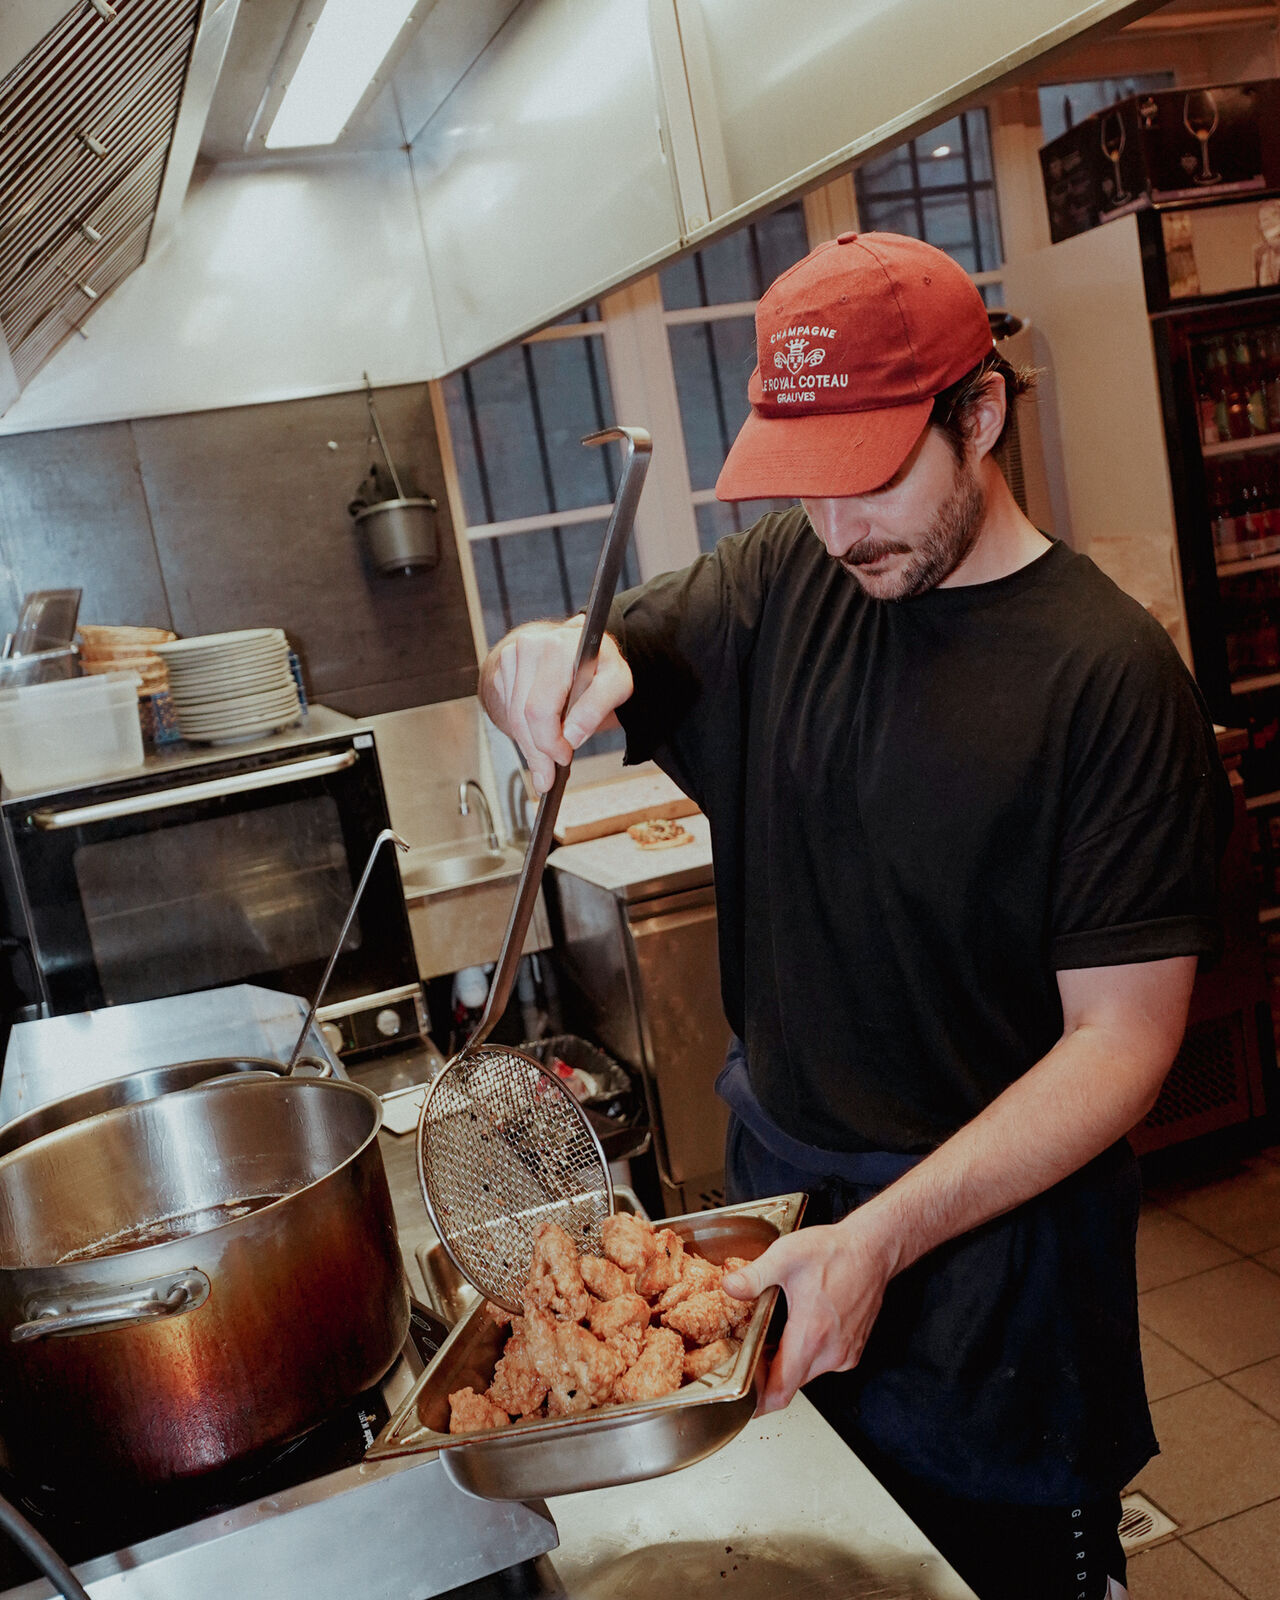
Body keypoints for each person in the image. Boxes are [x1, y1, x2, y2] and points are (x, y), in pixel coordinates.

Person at [479, 231, 1231, 1600]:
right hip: (796, 1231)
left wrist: (885, 1241)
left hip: (992, 1287)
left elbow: (1122, 1047)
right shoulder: (782, 585)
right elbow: (593, 661)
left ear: (981, 413)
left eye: (873, 476)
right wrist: (528, 665)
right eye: (806, 484)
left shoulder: (1110, 679)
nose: (839, 526)